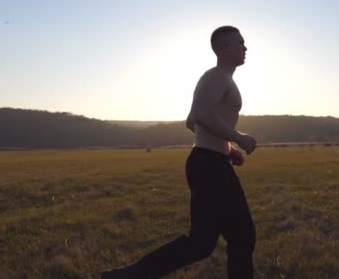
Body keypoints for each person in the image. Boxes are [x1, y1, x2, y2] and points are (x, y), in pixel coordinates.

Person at [102, 26, 257, 278]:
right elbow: (199, 116)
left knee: (242, 235)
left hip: (214, 161)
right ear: (225, 47)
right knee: (203, 243)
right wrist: (239, 138)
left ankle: (130, 274)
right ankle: (130, 275)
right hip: (208, 166)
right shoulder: (217, 76)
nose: (245, 48)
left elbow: (191, 122)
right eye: (240, 43)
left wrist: (227, 150)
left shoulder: (222, 79)